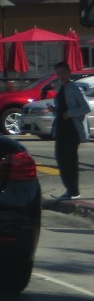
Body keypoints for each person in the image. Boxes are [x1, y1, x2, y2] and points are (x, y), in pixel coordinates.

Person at [53, 61, 92, 201]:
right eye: (58, 73)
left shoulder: (73, 87)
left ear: (69, 73)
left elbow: (86, 108)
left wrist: (69, 113)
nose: (60, 75)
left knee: (69, 161)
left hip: (72, 130)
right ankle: (69, 189)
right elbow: (62, 108)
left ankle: (74, 191)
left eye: (63, 72)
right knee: (60, 158)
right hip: (61, 129)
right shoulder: (60, 88)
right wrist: (55, 110)